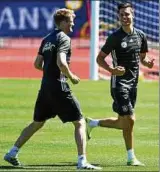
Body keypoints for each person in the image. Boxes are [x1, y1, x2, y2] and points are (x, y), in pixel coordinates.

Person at [4, 8, 102, 170]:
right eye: (70, 21)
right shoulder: (64, 38)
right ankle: (82, 161)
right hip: (59, 86)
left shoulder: (47, 38)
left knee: (37, 123)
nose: (72, 24)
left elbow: (37, 64)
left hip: (45, 86)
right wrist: (71, 76)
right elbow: (61, 62)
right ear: (63, 22)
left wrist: (49, 73)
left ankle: (12, 153)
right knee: (79, 122)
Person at [86, 2, 155, 166]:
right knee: (130, 120)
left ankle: (92, 123)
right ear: (119, 17)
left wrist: (148, 64)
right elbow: (99, 59)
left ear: (133, 15)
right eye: (122, 15)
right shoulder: (115, 37)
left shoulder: (141, 36)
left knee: (123, 122)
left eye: (127, 14)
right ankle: (131, 158)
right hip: (119, 84)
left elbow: (143, 57)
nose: (125, 17)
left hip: (134, 84)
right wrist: (111, 69)